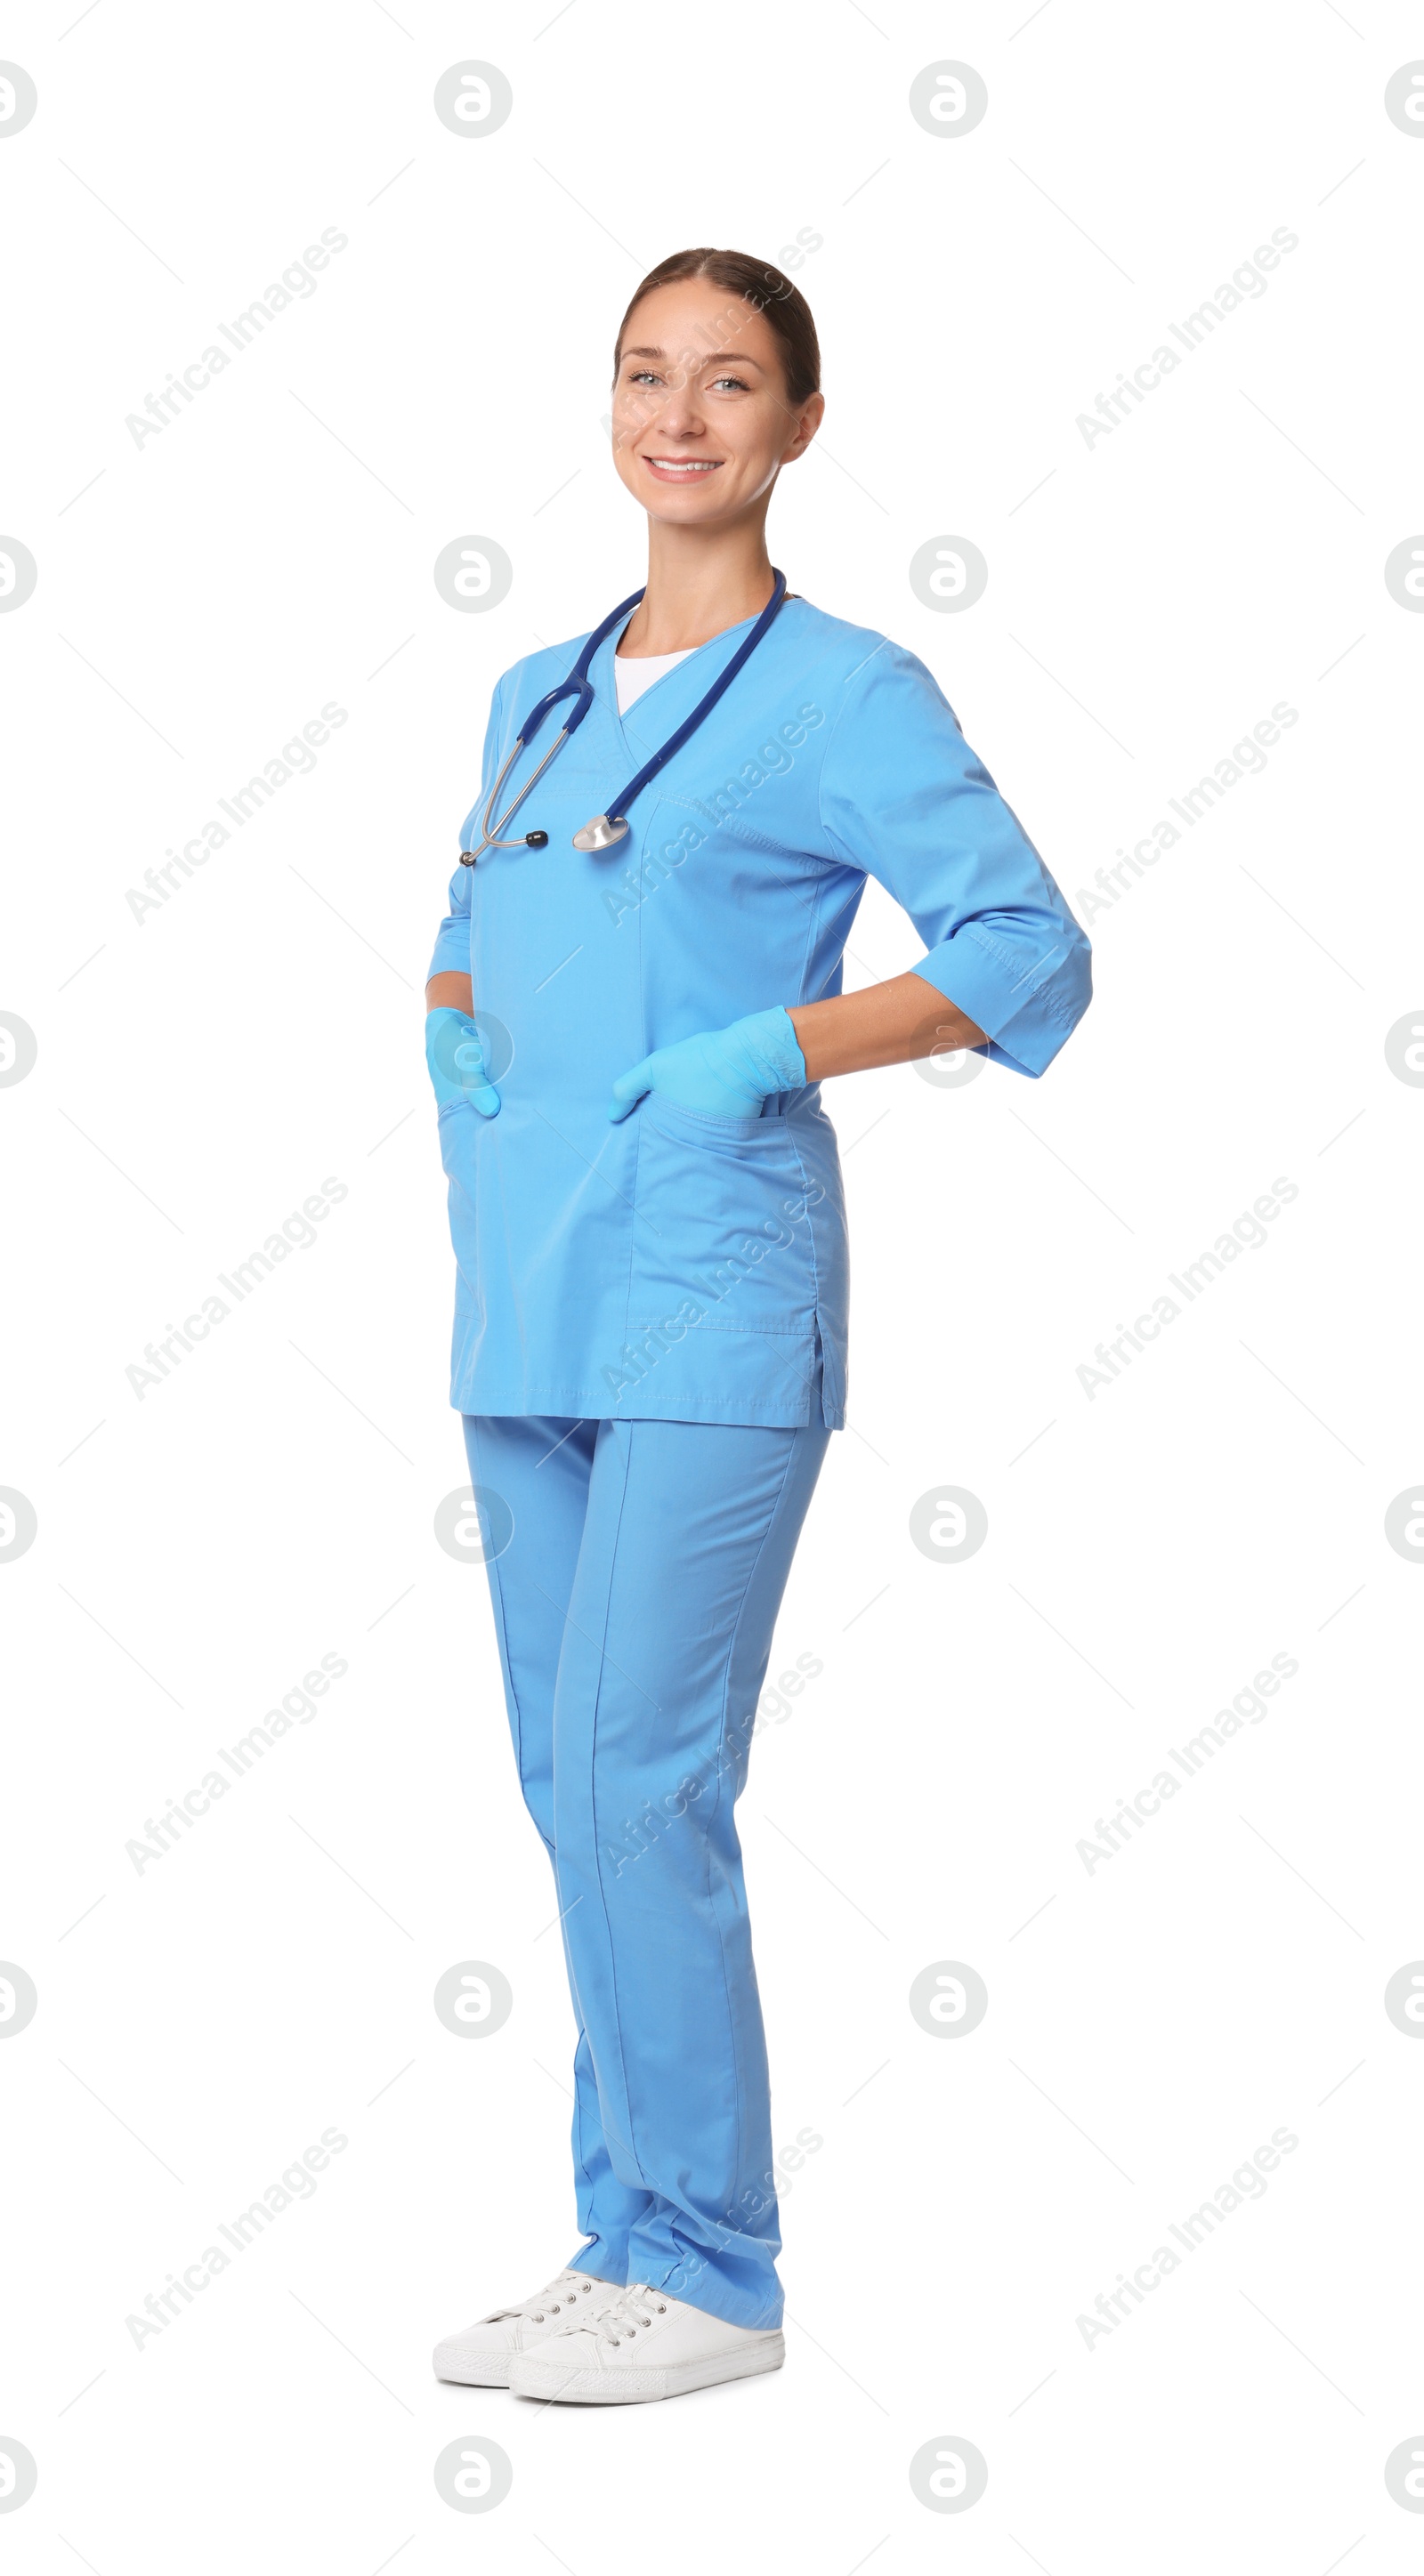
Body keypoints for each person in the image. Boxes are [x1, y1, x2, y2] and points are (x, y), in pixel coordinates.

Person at [425, 246, 1091, 2407]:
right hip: (523, 1292)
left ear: (800, 422)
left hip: (707, 1292)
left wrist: (771, 1050)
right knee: (564, 1778)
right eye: (643, 375)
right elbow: (471, 914)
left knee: (639, 1770)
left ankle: (710, 2264)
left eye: (729, 383)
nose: (678, 418)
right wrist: (449, 1031)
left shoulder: (843, 692)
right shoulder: (535, 688)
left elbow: (1021, 944)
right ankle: (617, 2228)